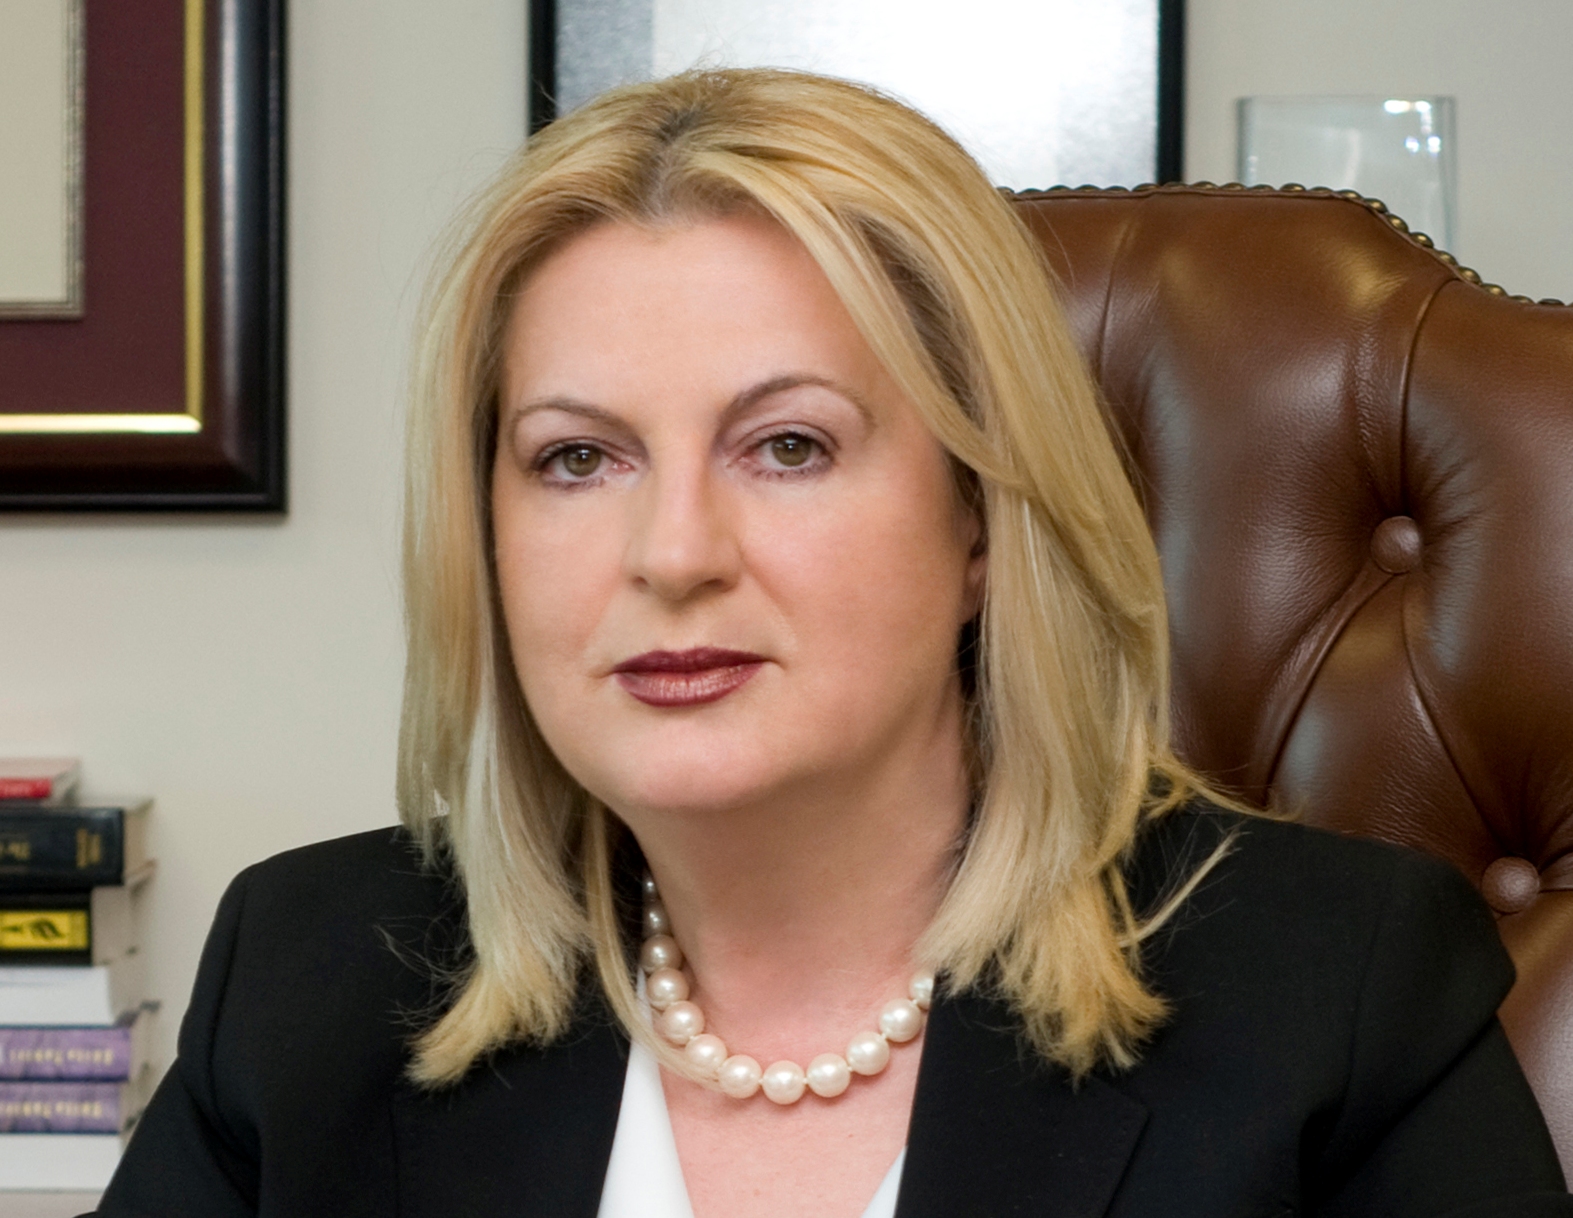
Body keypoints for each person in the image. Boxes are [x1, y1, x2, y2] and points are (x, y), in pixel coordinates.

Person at [91, 69, 1568, 1218]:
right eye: (575, 458)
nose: (673, 553)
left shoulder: (1341, 995)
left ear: (979, 523)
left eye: (787, 445)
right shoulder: (307, 977)